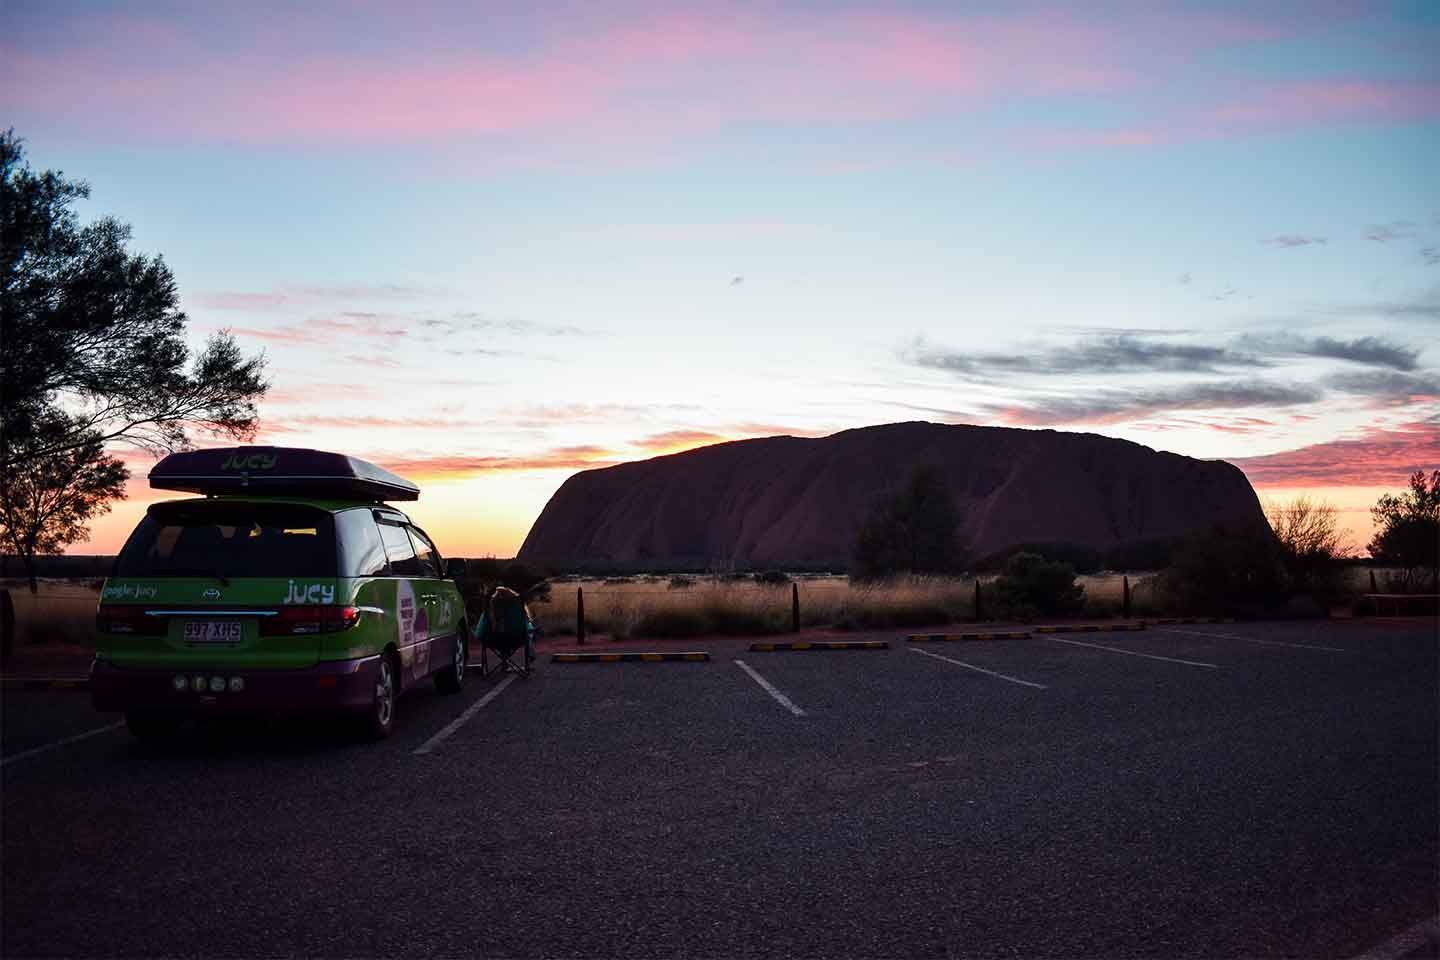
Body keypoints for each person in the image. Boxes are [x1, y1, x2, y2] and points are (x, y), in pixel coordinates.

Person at [472, 585, 536, 668]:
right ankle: (528, 655)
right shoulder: (518, 610)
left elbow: (480, 632)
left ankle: (504, 660)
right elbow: (528, 628)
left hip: (494, 640)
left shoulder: (490, 610)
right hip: (517, 639)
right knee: (528, 630)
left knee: (502, 633)